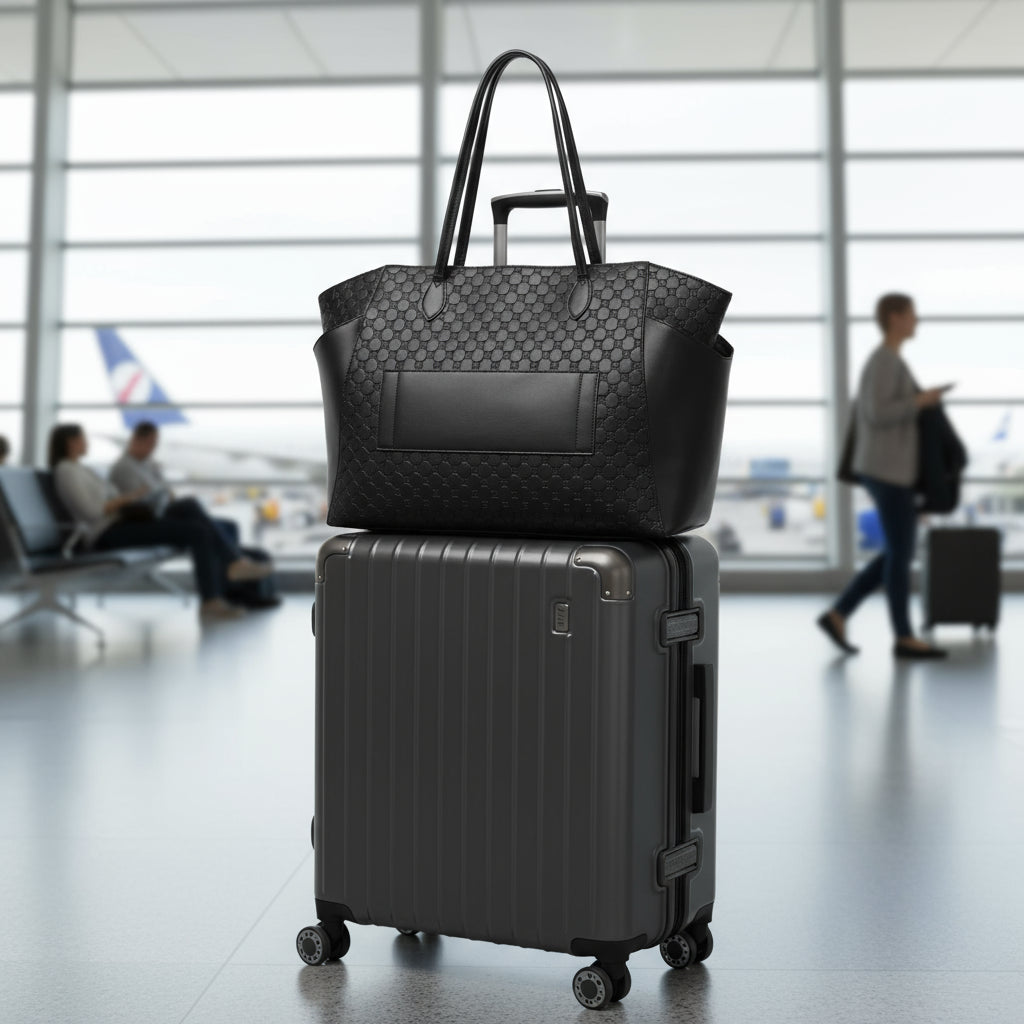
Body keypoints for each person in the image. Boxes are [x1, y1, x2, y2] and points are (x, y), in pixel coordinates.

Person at [818, 294, 951, 660]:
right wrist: (921, 401)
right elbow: (877, 413)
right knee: (899, 553)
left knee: (896, 552)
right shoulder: (884, 361)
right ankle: (903, 637)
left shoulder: (891, 362)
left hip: (892, 470)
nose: (916, 321)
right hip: (886, 471)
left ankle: (838, 614)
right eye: (911, 315)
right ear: (894, 318)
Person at [49, 423, 271, 620]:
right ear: (71, 442)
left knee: (191, 509)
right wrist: (129, 498)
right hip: (107, 533)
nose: (86, 442)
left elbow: (108, 499)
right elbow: (92, 511)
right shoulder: (67, 472)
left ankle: (230, 573)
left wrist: (134, 501)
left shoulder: (81, 469)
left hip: (121, 523)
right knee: (197, 530)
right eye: (82, 438)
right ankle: (216, 593)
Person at [108, 421, 281, 609]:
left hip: (165, 510)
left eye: (155, 443)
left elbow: (166, 492)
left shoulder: (149, 465)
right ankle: (231, 571)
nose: (153, 448)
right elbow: (136, 503)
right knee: (195, 516)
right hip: (148, 519)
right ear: (136, 440)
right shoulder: (123, 468)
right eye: (150, 443)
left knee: (228, 526)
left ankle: (234, 590)